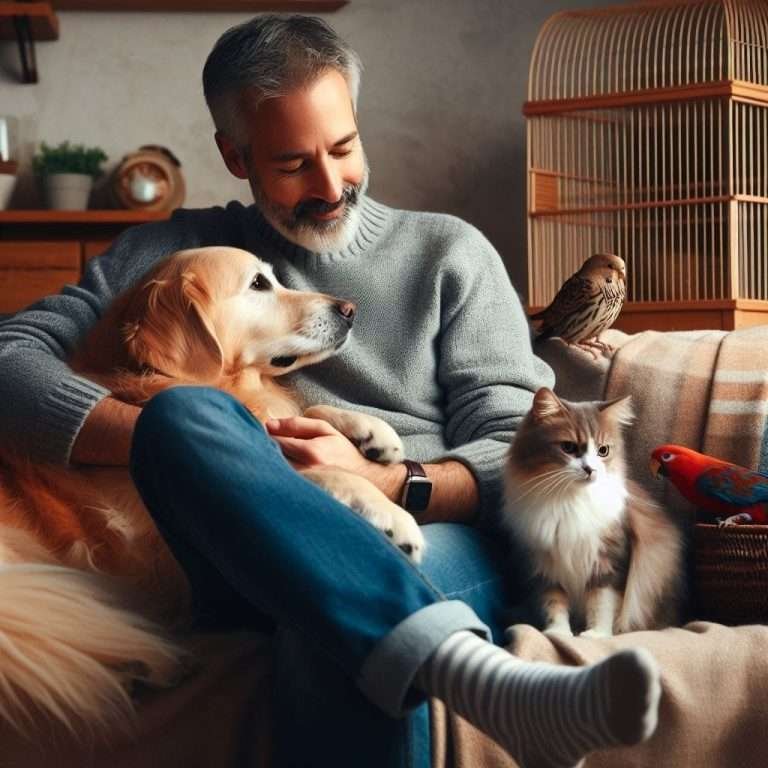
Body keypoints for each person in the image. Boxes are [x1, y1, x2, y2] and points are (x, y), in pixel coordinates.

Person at [0, 15, 661, 768]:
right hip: (234, 545)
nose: (328, 184)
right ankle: (476, 678)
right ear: (235, 155)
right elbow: (8, 355)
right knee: (185, 412)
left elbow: (522, 446)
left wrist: (386, 480)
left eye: (343, 148)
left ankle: (461, 666)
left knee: (323, 628)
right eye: (290, 164)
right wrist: (159, 435)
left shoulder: (451, 254)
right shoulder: (175, 251)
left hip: (421, 536)